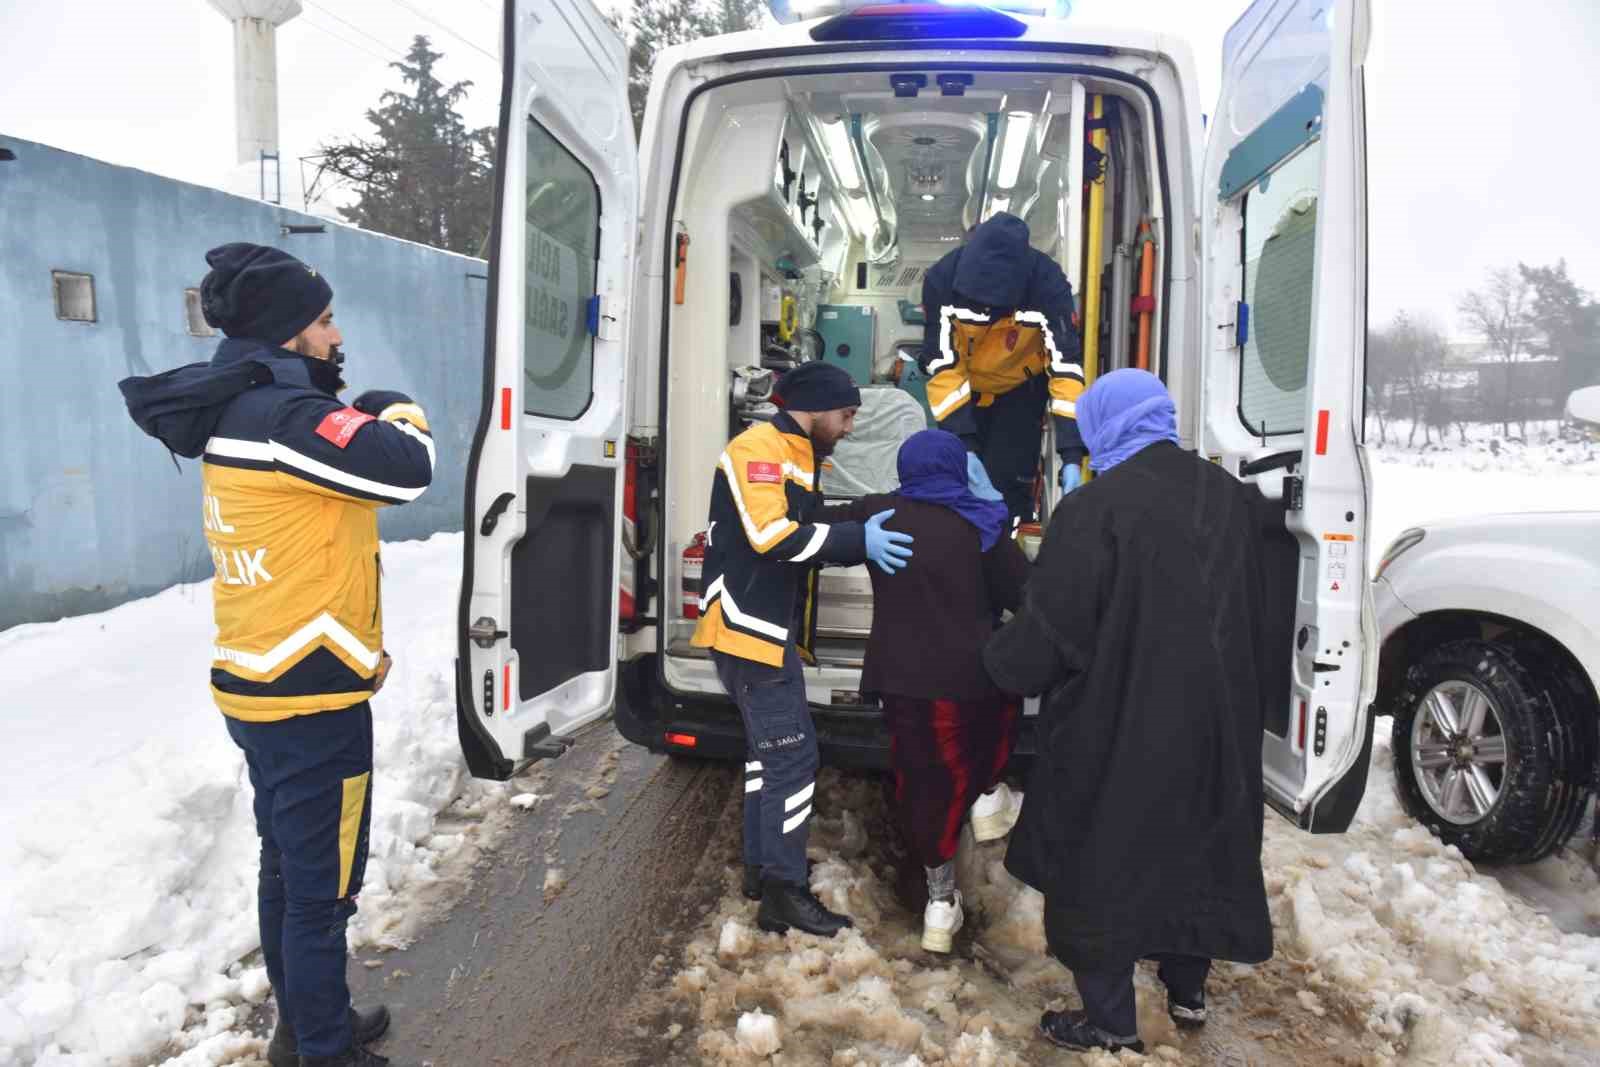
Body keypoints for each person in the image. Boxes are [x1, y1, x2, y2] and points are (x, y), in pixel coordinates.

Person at [119, 243, 434, 1067]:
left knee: (288, 873)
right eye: (325, 320)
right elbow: (408, 470)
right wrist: (395, 407)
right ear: (291, 331)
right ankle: (325, 1049)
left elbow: (324, 526)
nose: (336, 334)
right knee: (322, 892)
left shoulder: (247, 409)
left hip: (264, 680)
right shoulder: (284, 420)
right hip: (308, 703)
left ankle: (304, 1028)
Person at [982, 368, 1274, 1054]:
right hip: (1217, 722)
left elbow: (1049, 636)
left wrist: (994, 657)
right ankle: (1188, 988)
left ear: (1106, 426)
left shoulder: (1093, 510)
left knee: (1103, 862)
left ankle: (1109, 1018)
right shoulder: (1233, 501)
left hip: (1121, 723)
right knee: (1197, 846)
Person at [691, 361, 914, 938]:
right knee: (793, 758)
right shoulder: (758, 449)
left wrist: (871, 512)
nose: (847, 427)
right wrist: (855, 541)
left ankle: (765, 871)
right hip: (748, 629)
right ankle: (784, 894)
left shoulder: (798, 450)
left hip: (762, 627)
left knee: (770, 755)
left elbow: (807, 518)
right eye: (845, 415)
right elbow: (772, 535)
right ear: (815, 406)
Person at [830, 429, 1029, 953]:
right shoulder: (984, 525)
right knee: (979, 748)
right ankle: (988, 796)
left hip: (900, 681)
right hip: (970, 681)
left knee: (920, 781)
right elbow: (1025, 597)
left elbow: (816, 526)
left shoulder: (878, 512)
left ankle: (939, 903)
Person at [918, 212, 1086, 525]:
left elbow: (1065, 370)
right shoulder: (941, 280)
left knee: (1008, 484)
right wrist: (964, 444)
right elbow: (943, 365)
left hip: (1020, 390)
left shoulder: (1047, 285)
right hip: (965, 390)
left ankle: (1008, 553)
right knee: (958, 483)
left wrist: (1072, 453)